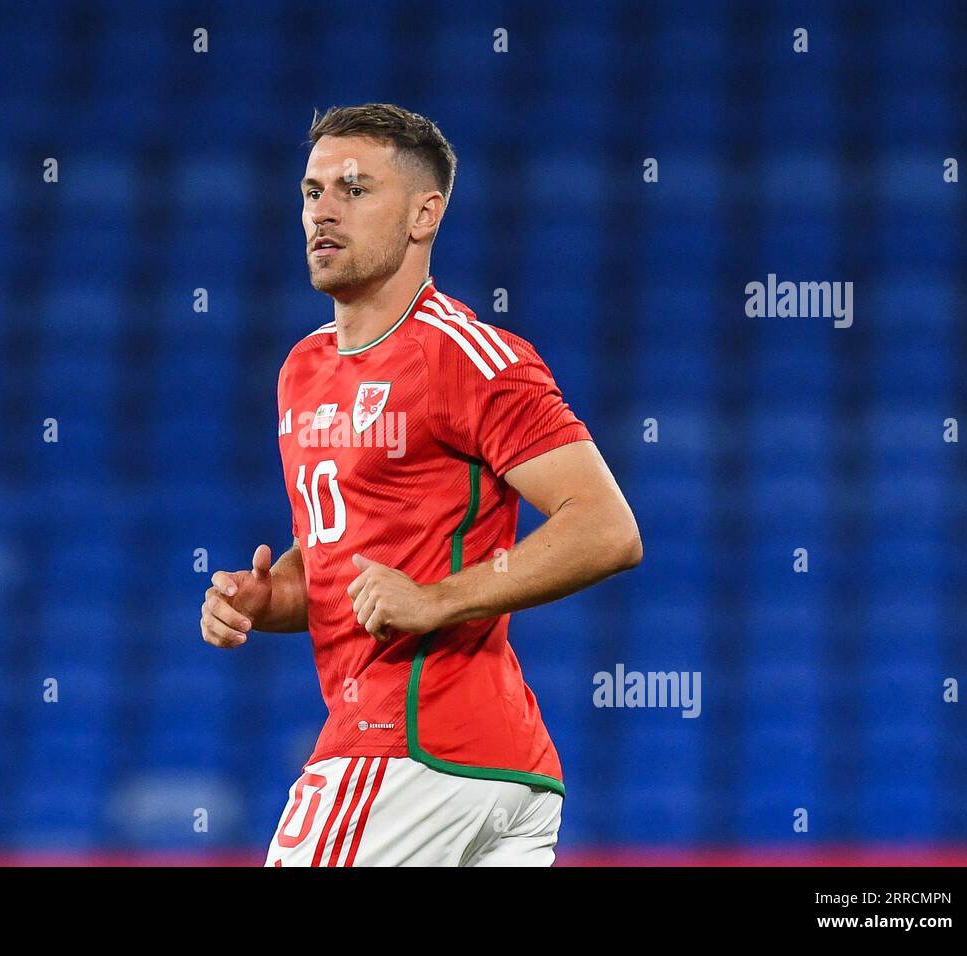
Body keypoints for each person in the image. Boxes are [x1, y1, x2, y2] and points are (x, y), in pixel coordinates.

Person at [200, 103, 642, 866]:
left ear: (423, 214)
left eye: (354, 190)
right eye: (311, 193)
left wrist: (439, 599)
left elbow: (606, 528)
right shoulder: (301, 370)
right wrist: (276, 598)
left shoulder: (468, 357)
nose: (323, 213)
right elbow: (346, 556)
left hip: (406, 746)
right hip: (495, 770)